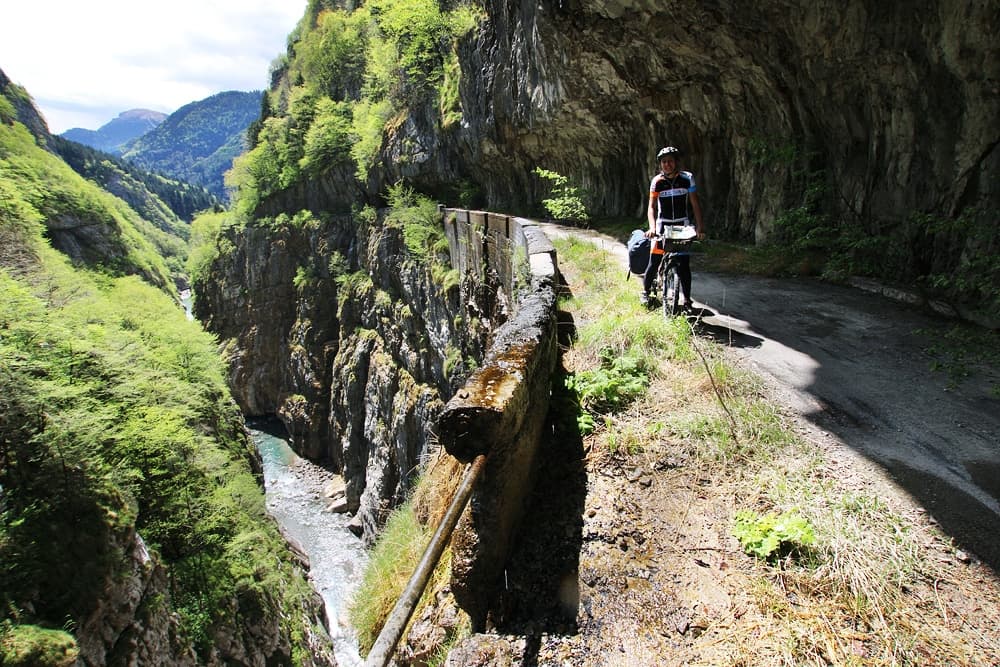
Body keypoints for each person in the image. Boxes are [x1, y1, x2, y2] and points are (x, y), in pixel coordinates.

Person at [640, 146, 705, 308]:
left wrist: (699, 227)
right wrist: (652, 228)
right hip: (662, 226)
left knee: (684, 264)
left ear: (676, 162)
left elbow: (695, 204)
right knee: (654, 261)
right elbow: (652, 207)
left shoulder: (687, 178)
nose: (667, 164)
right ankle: (645, 293)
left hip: (682, 226)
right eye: (663, 162)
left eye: (670, 161)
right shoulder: (657, 182)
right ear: (660, 164)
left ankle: (687, 300)